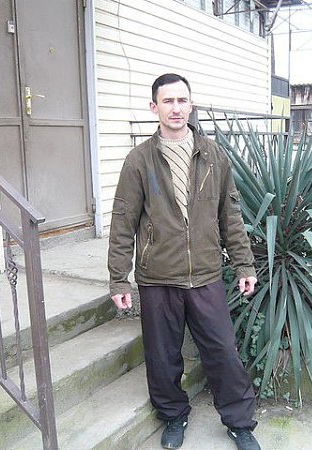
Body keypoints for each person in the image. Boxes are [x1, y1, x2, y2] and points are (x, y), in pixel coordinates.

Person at [108, 73, 261, 450]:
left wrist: (243, 264)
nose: (175, 108)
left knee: (222, 350)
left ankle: (240, 423)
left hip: (206, 273)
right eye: (167, 101)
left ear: (190, 105)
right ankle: (173, 415)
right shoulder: (139, 160)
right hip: (158, 276)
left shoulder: (213, 155)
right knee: (162, 356)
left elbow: (230, 215)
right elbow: (123, 220)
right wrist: (119, 278)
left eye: (181, 100)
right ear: (154, 107)